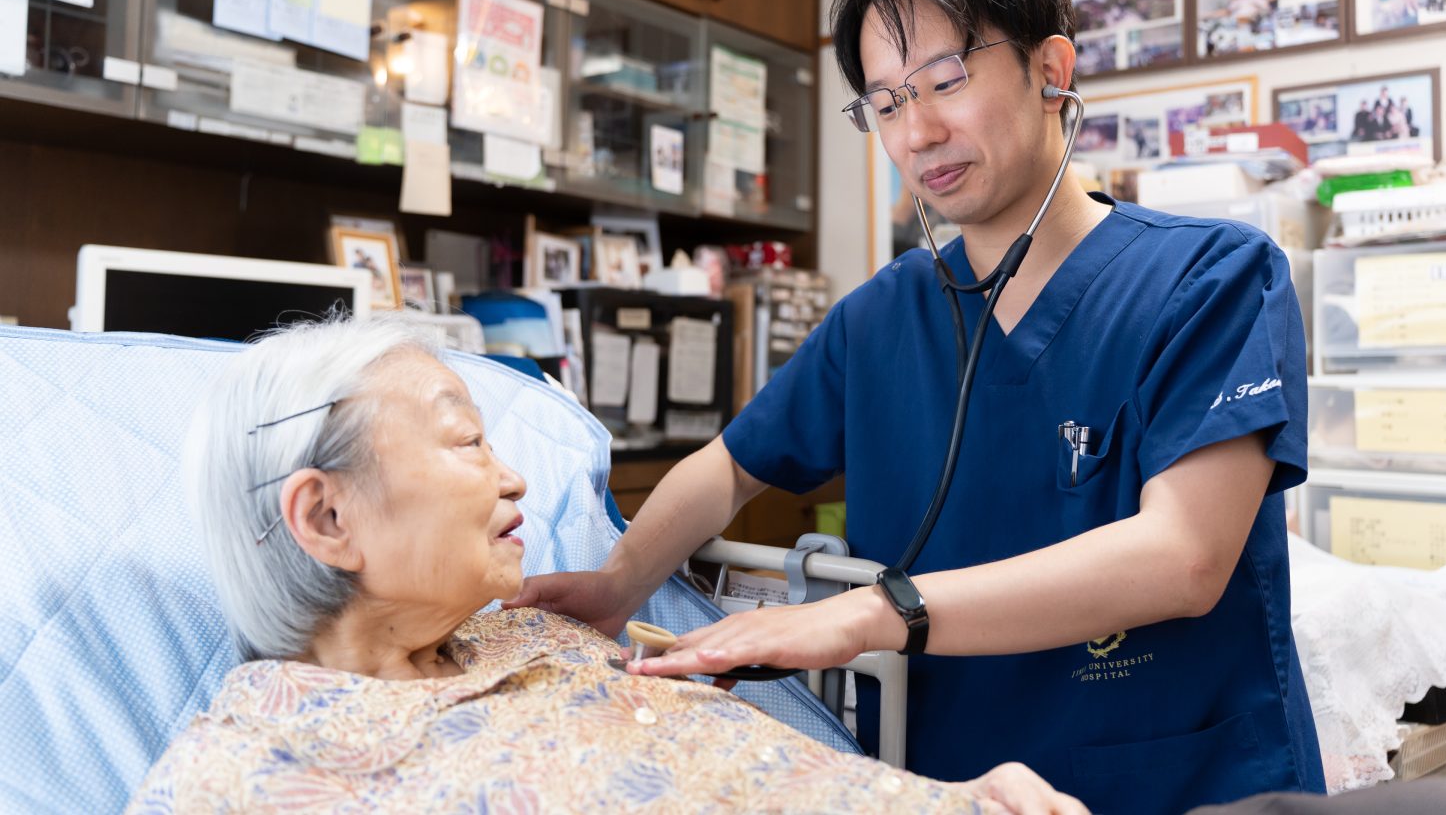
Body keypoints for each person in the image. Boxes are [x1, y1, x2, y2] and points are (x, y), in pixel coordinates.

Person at [512, 0, 1324, 815]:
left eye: (947, 81)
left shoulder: (1211, 277)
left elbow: (1185, 558)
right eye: (887, 103)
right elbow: (730, 465)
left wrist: (871, 613)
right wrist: (618, 581)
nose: (919, 132)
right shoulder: (880, 318)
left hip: (1179, 781)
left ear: (1052, 69)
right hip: (952, 782)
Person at [127, 316, 1087, 814]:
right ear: (327, 515)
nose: (513, 479)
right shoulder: (253, 771)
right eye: (466, 442)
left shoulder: (543, 635)